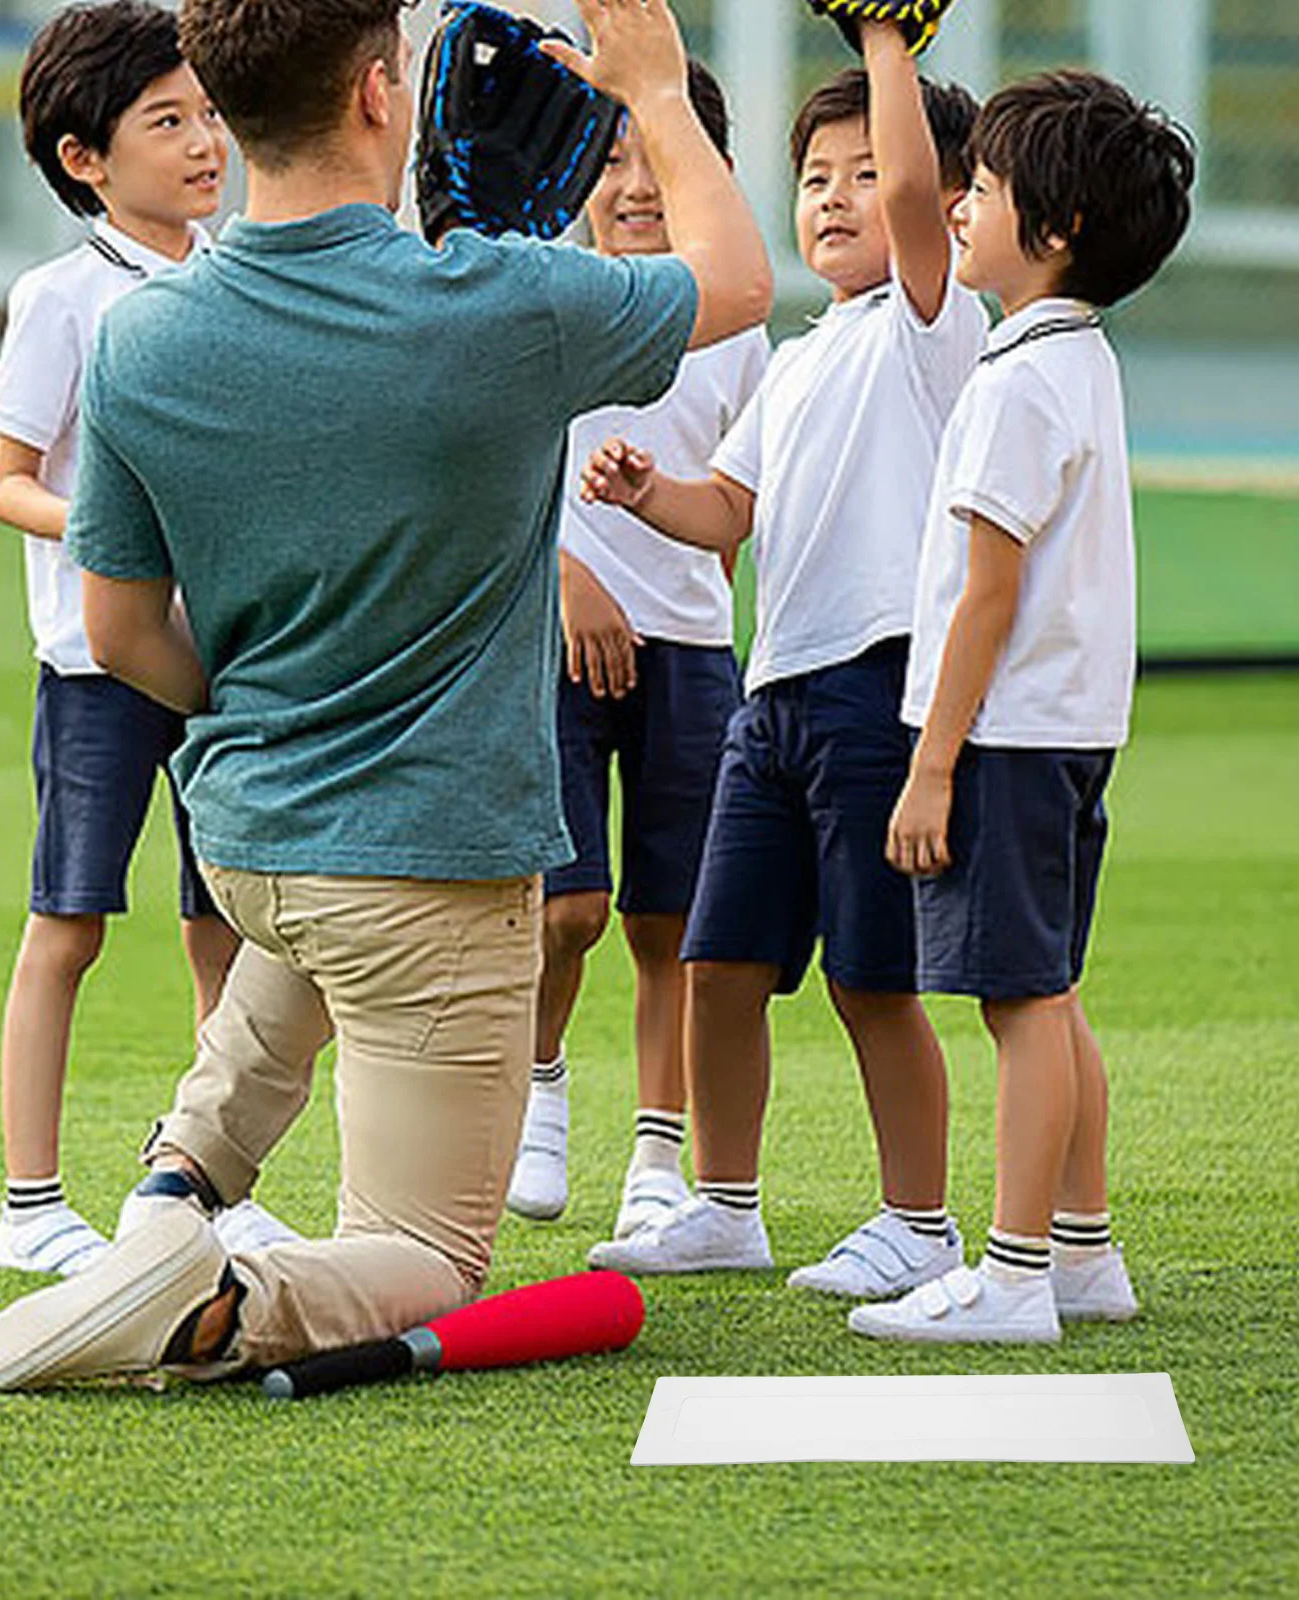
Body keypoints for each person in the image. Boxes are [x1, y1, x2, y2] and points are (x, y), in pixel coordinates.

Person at [0, 0, 770, 1395]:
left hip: (253, 842)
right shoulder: (499, 306)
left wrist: (265, 701)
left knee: (284, 992)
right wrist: (656, 93)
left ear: (225, 98)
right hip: (433, 863)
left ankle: (167, 1200)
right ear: (383, 92)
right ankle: (217, 1297)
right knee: (434, 1257)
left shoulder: (140, 339)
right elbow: (738, 283)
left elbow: (121, 632)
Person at [583, 25, 986, 1298]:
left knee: (873, 980)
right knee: (717, 965)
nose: (835, 195)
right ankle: (726, 1205)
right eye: (815, 175)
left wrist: (885, 47)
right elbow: (726, 512)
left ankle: (918, 1223)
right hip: (775, 696)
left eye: (864, 173)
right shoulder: (803, 357)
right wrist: (651, 493)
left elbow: (922, 197)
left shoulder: (935, 323)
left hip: (877, 690)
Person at [850, 70, 1195, 1344]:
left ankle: (1013, 1275)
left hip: (1006, 738)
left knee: (1019, 1003)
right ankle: (1082, 1253)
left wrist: (929, 764)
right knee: (1047, 992)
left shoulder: (1012, 382)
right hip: (1059, 730)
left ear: (1050, 235)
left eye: (983, 192)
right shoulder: (1067, 360)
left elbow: (985, 597)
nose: (959, 205)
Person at [0, 0, 256, 1277]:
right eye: (167, 123)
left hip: (220, 661)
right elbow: (9, 478)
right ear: (86, 159)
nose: (204, 142)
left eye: (206, 114)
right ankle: (30, 1205)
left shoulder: (238, 270)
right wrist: (113, 546)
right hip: (98, 664)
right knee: (70, 924)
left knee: (227, 925)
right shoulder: (60, 295)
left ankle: (212, 1186)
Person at [504, 59, 769, 1240]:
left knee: (672, 921)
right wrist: (569, 580)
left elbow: (732, 507)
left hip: (691, 654)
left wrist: (681, 616)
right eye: (606, 161)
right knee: (566, 910)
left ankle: (659, 1154)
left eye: (656, 157)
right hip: (547, 645)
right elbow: (497, 483)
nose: (634, 184)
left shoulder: (735, 332)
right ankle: (540, 1090)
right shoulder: (545, 305)